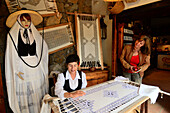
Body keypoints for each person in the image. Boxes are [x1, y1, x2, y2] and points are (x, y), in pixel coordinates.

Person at [5, 9, 49, 113]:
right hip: (22, 69)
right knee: (26, 94)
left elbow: (43, 47)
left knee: (37, 93)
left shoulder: (34, 34)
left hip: (36, 69)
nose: (26, 23)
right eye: (23, 20)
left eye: (28, 20)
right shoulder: (12, 36)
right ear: (19, 21)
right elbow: (11, 55)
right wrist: (15, 70)